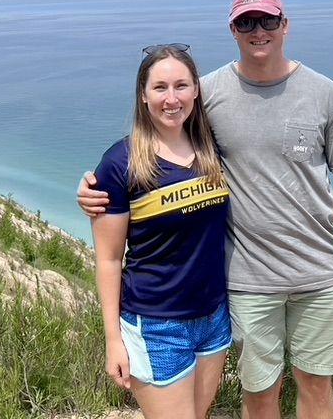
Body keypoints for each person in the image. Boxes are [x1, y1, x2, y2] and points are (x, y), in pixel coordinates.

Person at [79, 0, 333, 419]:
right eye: (246, 23)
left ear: (285, 25)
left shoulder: (324, 93)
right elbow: (155, 136)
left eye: (268, 21)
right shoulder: (210, 93)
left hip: (320, 274)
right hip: (247, 281)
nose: (258, 31)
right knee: (260, 392)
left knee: (317, 384)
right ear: (233, 30)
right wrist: (93, 185)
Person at [92, 44, 231, 419]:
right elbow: (107, 259)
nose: (172, 99)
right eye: (160, 88)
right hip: (156, 325)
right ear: (143, 94)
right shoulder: (121, 163)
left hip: (214, 317)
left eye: (181, 86)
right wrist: (112, 341)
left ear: (196, 90)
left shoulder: (212, 149)